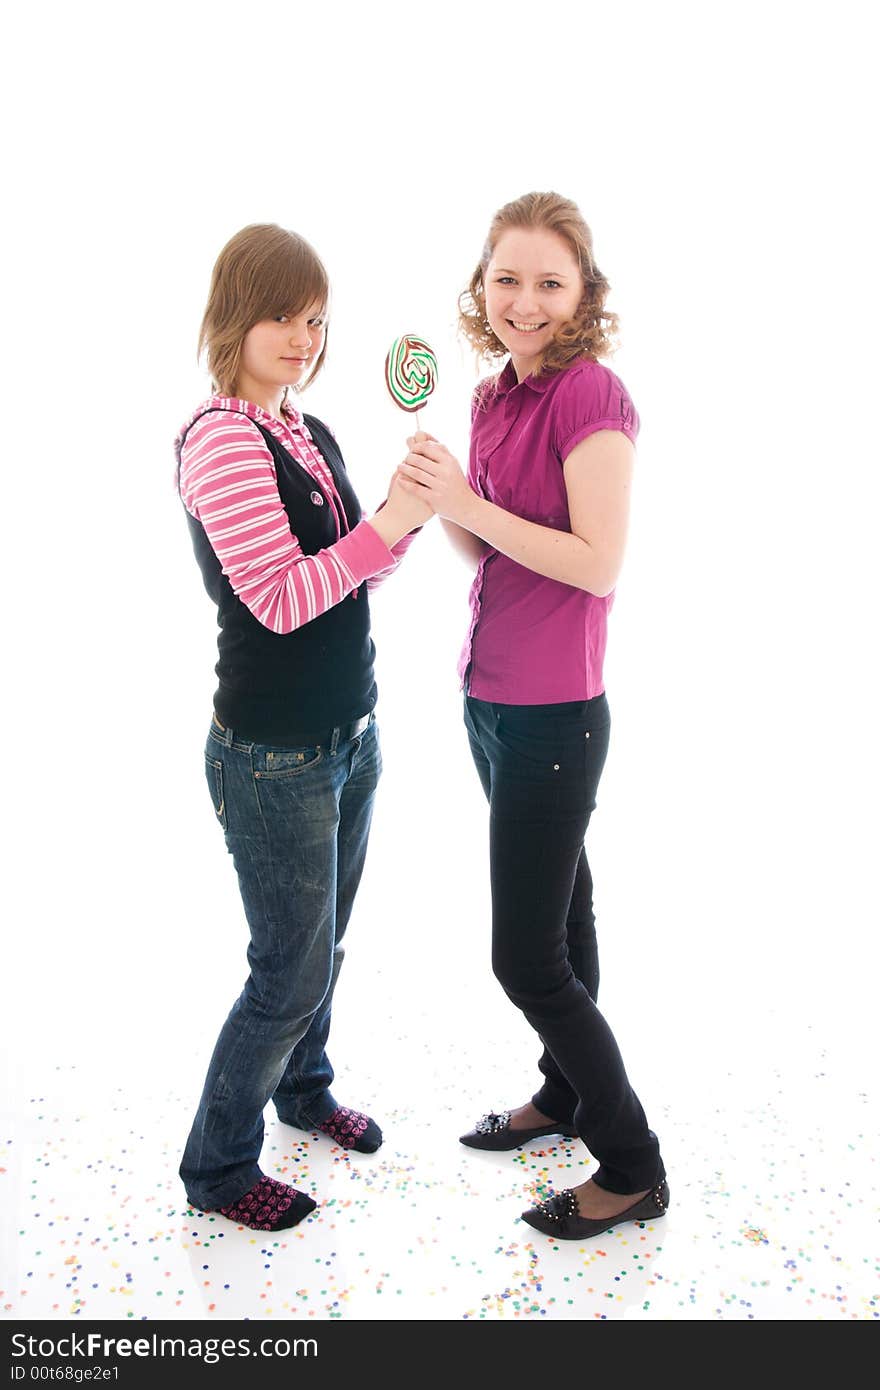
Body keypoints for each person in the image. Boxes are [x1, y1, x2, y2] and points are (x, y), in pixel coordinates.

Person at [397, 192, 668, 1240]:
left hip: (557, 716)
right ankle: (563, 1096)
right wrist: (438, 495)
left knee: (526, 959)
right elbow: (488, 546)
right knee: (568, 920)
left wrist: (467, 506)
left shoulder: (590, 393)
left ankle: (633, 1162)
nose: (523, 300)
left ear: (583, 294)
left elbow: (598, 564)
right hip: (490, 702)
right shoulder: (488, 396)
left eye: (548, 282)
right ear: (481, 285)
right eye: (505, 278)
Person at [175, 223, 431, 1232]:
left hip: (347, 731)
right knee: (286, 972)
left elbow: (359, 565)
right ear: (238, 314)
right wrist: (376, 536)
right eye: (283, 314)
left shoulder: (307, 431)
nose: (302, 337)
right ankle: (219, 1165)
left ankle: (303, 1087)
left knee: (323, 950)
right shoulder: (221, 437)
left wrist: (404, 513)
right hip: (274, 752)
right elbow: (280, 600)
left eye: (317, 319)